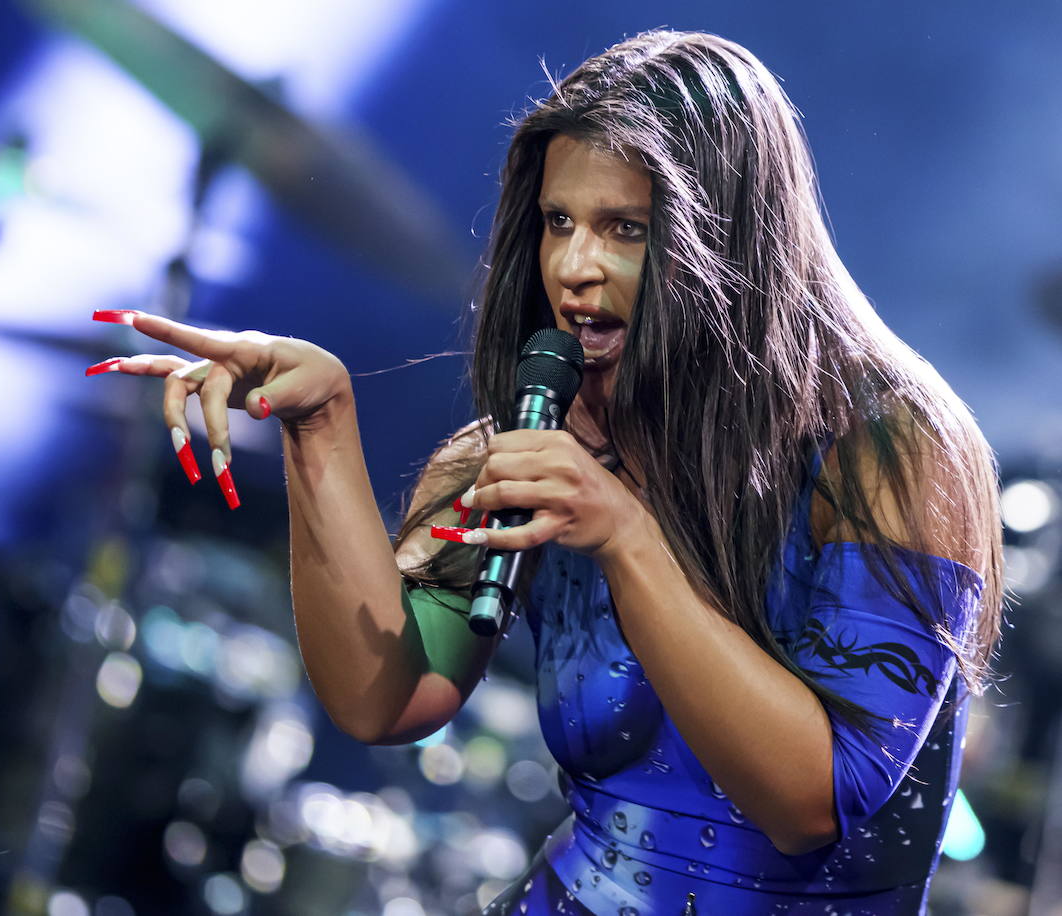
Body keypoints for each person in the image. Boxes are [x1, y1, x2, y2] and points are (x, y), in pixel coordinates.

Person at [85, 29, 1003, 915]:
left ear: (729, 240)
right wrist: (320, 432)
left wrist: (624, 535)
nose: (573, 266)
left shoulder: (893, 449)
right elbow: (386, 698)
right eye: (558, 221)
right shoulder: (537, 445)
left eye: (627, 229)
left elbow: (814, 802)